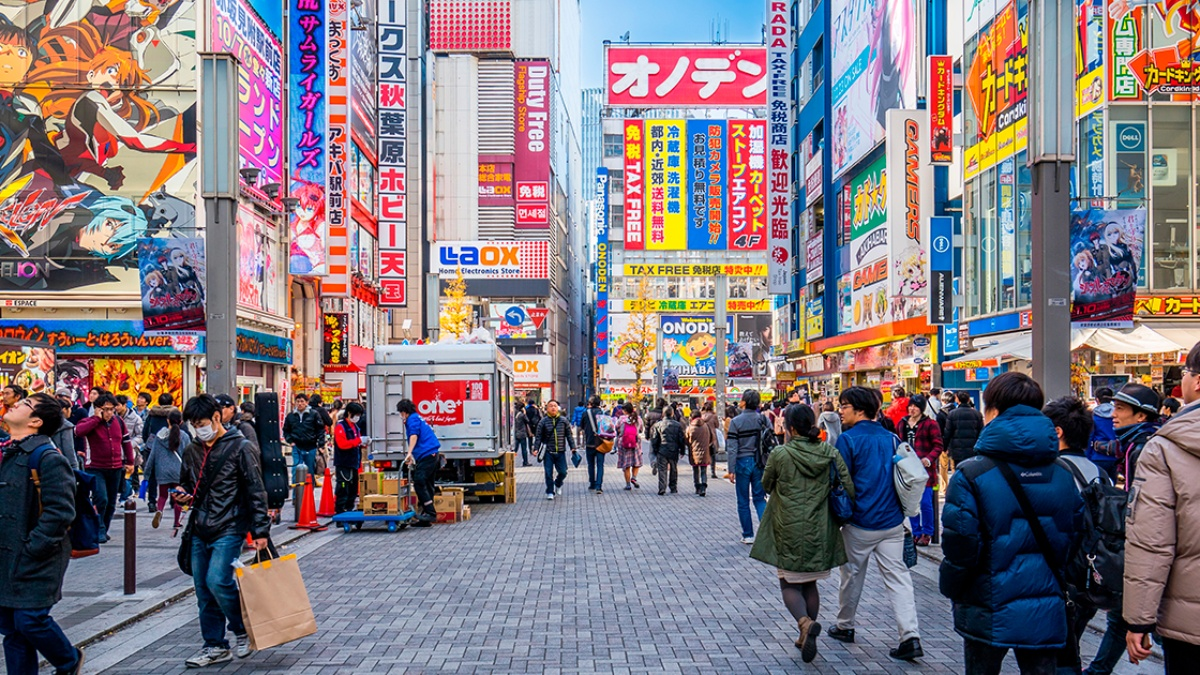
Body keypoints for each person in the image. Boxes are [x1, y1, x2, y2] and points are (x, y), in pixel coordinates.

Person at [939, 373, 1080, 675]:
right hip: (1045, 602)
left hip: (986, 603)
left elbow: (960, 545)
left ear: (992, 411)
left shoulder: (971, 474)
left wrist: (951, 588)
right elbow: (1076, 538)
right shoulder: (1064, 473)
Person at [751, 403, 854, 663]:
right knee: (810, 583)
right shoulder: (829, 452)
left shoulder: (780, 453)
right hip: (820, 528)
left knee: (788, 583)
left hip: (788, 526)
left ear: (790, 428)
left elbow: (766, 483)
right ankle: (805, 632)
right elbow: (848, 486)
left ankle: (804, 623)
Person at [175, 394, 270, 668]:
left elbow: (256, 490)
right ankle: (214, 646)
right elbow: (187, 484)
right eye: (193, 424)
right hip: (198, 527)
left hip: (230, 525)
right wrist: (182, 494)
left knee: (218, 580)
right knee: (203, 589)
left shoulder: (241, 447)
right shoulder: (192, 449)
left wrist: (260, 530)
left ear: (217, 417)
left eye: (202, 422)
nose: (198, 428)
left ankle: (241, 628)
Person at [830, 386, 923, 661]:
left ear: (859, 410)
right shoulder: (892, 438)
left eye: (844, 406)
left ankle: (845, 625)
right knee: (899, 579)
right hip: (892, 521)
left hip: (860, 522)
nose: (840, 410)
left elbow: (839, 481)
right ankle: (910, 636)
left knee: (851, 576)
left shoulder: (848, 440)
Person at [1124, 342, 1200, 672]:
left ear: (1197, 381)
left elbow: (1152, 542)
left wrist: (1138, 620)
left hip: (1190, 625)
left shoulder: (1167, 447)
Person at [0, 392, 83, 675]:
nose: (15, 405)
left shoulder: (47, 457)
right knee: (11, 627)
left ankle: (68, 660)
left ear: (35, 421)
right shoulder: (9, 451)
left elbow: (60, 512)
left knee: (29, 620)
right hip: (7, 556)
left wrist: (34, 547)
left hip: (37, 556)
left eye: (24, 404)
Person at [1083, 382, 1162, 675]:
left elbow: (1144, 503)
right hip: (1139, 542)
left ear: (1140, 416)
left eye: (1121, 409)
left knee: (1146, 620)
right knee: (1121, 616)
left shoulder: (1143, 447)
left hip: (1143, 544)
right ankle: (1097, 670)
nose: (1113, 415)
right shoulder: (1136, 443)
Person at [74, 392, 133, 543]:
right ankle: (98, 528)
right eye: (105, 409)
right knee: (101, 499)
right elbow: (79, 431)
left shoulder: (118, 421)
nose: (109, 413)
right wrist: (96, 418)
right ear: (97, 409)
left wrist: (130, 462)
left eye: (111, 409)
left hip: (115, 467)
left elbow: (126, 442)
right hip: (95, 467)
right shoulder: (90, 421)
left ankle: (104, 528)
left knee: (112, 501)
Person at [897, 394, 943, 546]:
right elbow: (899, 443)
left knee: (925, 503)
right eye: (910, 406)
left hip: (925, 471)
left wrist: (928, 459)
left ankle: (927, 533)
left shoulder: (930, 424)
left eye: (916, 406)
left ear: (922, 409)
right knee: (911, 503)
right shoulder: (903, 423)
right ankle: (916, 532)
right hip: (908, 470)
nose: (912, 409)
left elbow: (938, 445)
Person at [726, 390, 769, 544]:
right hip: (760, 462)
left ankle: (748, 534)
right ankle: (766, 534)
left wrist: (731, 469)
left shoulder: (736, 422)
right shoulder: (763, 419)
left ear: (743, 401)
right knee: (759, 498)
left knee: (743, 500)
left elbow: (732, 447)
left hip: (742, 462)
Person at [396, 398, 441, 525]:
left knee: (419, 482)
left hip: (427, 454)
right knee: (427, 483)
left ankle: (430, 513)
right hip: (430, 454)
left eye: (401, 413)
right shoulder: (417, 417)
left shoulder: (412, 420)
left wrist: (409, 453)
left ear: (404, 412)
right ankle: (426, 516)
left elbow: (414, 436)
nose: (401, 415)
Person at [144, 409, 190, 530]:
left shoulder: (160, 436)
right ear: (181, 422)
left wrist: (146, 474)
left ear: (167, 420)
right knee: (177, 498)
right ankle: (176, 522)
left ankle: (159, 510)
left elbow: (152, 456)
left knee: (163, 495)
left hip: (162, 471)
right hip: (178, 471)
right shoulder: (184, 436)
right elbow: (189, 456)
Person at [141, 393, 177, 514]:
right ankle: (173, 499)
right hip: (171, 447)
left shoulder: (152, 414)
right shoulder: (174, 413)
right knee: (173, 473)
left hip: (153, 447)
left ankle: (152, 501)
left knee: (152, 475)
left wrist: (149, 442)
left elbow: (145, 431)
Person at [532, 400, 575, 500]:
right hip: (548, 452)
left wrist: (573, 447)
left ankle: (558, 483)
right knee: (548, 473)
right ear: (547, 409)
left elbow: (569, 435)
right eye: (551, 406)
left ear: (558, 408)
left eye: (555, 406)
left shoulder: (564, 421)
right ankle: (550, 491)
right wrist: (536, 449)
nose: (553, 408)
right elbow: (538, 437)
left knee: (563, 472)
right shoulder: (543, 422)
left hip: (560, 451)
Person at [282, 393, 329, 482]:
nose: (300, 403)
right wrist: (290, 441)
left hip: (310, 446)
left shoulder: (314, 414)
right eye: (298, 401)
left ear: (307, 402)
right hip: (296, 446)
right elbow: (286, 430)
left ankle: (309, 493)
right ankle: (296, 494)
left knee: (309, 470)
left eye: (302, 401)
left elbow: (320, 430)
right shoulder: (291, 416)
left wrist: (321, 444)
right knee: (295, 469)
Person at [332, 402, 368, 514]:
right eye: (356, 414)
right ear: (349, 413)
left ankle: (349, 510)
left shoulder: (355, 427)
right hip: (344, 463)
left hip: (354, 463)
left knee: (353, 489)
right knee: (343, 488)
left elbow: (355, 443)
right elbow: (342, 444)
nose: (357, 417)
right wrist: (358, 441)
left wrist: (364, 443)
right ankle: (340, 512)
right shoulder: (341, 426)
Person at [650, 404, 685, 496]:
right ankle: (673, 487)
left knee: (662, 469)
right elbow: (681, 439)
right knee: (673, 469)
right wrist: (682, 450)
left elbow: (654, 439)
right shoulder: (678, 425)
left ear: (663, 414)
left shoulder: (657, 425)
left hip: (662, 450)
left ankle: (662, 488)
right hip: (673, 450)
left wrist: (655, 449)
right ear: (672, 413)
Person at [1087, 387, 1119, 483]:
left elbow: (1089, 438)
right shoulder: (1118, 415)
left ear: (1097, 400)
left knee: (1100, 488)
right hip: (1115, 456)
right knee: (1112, 486)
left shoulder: (1094, 416)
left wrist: (1088, 457)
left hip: (1098, 456)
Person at [944, 391, 984, 465]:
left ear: (957, 400)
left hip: (957, 450)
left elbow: (947, 433)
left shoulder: (952, 414)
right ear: (968, 400)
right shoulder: (977, 414)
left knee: (959, 470)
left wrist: (945, 447)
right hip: (973, 449)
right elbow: (981, 432)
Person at [579, 396, 607, 494]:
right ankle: (599, 486)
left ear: (590, 403)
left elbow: (581, 426)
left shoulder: (585, 413)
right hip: (601, 443)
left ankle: (592, 483)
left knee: (591, 464)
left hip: (589, 442)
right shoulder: (603, 413)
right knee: (600, 465)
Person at [615, 403, 643, 490]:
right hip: (635, 442)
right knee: (636, 462)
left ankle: (628, 485)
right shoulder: (638, 418)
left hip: (624, 443)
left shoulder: (621, 419)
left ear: (625, 411)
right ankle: (634, 478)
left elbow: (616, 428)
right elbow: (641, 429)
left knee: (626, 465)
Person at [684, 409, 713, 496]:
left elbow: (686, 440)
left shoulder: (690, 427)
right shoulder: (706, 426)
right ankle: (703, 486)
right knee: (704, 470)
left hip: (694, 453)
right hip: (705, 452)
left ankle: (697, 487)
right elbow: (711, 437)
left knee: (696, 470)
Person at [52, 398, 79, 471]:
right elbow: (69, 450)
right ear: (64, 409)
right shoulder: (66, 426)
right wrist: (75, 469)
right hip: (63, 466)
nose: (71, 411)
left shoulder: (46, 423)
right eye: (70, 408)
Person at [701, 401, 721, 478]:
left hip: (703, 437)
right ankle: (713, 472)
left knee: (704, 456)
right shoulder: (714, 416)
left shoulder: (701, 415)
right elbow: (717, 425)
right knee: (713, 456)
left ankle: (703, 472)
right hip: (712, 437)